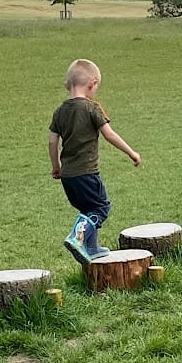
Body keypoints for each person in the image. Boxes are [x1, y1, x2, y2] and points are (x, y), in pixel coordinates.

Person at [48, 59, 141, 264]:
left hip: (68, 176)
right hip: (87, 173)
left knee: (87, 209)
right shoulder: (92, 108)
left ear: (67, 84)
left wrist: (56, 167)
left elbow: (52, 141)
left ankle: (91, 247)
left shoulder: (60, 111)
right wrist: (131, 152)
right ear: (93, 83)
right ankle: (77, 237)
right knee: (100, 207)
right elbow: (109, 135)